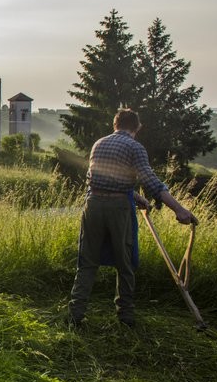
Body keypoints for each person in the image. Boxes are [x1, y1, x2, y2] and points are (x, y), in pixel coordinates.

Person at [69, 109, 197, 328]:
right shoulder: (135, 147)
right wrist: (179, 210)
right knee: (125, 263)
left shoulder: (99, 144)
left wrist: (135, 195)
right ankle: (125, 317)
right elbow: (151, 182)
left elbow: (97, 179)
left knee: (87, 263)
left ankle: (75, 316)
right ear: (137, 127)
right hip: (118, 208)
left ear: (114, 124)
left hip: (93, 205)